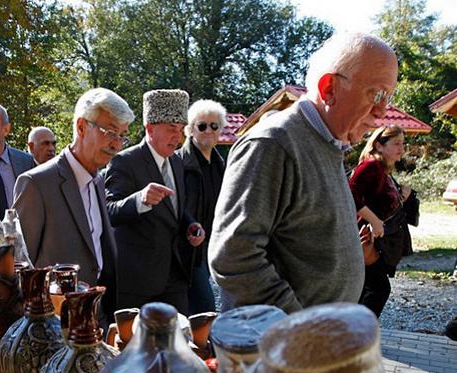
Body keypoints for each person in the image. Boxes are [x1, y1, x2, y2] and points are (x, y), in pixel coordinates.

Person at [208, 32, 399, 313]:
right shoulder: (273, 144)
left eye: (389, 96)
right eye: (376, 94)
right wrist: (301, 327)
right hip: (281, 347)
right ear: (329, 88)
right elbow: (233, 256)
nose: (383, 110)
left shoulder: (330, 142)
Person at [12, 88, 135, 327]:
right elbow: (21, 268)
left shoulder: (98, 180)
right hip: (57, 327)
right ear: (80, 127)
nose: (117, 145)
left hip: (97, 316)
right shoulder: (36, 184)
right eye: (110, 132)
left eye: (122, 136)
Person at [105, 89, 205, 315]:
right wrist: (140, 199)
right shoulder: (124, 161)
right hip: (138, 282)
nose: (177, 138)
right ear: (150, 128)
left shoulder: (177, 162)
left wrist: (190, 225)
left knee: (176, 342)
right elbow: (110, 211)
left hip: (175, 276)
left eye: (180, 131)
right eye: (171, 130)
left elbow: (175, 210)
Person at [349, 126, 413, 317]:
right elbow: (350, 193)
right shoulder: (372, 165)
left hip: (374, 243)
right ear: (379, 145)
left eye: (402, 143)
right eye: (396, 143)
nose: (401, 148)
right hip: (364, 240)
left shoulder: (383, 169)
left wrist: (403, 196)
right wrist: (375, 221)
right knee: (378, 289)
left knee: (364, 291)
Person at [176, 99, 226, 314]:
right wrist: (190, 225)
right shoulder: (177, 162)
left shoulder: (221, 164)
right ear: (190, 130)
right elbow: (176, 202)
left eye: (214, 126)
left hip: (213, 243)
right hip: (186, 246)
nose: (209, 131)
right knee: (205, 305)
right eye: (202, 125)